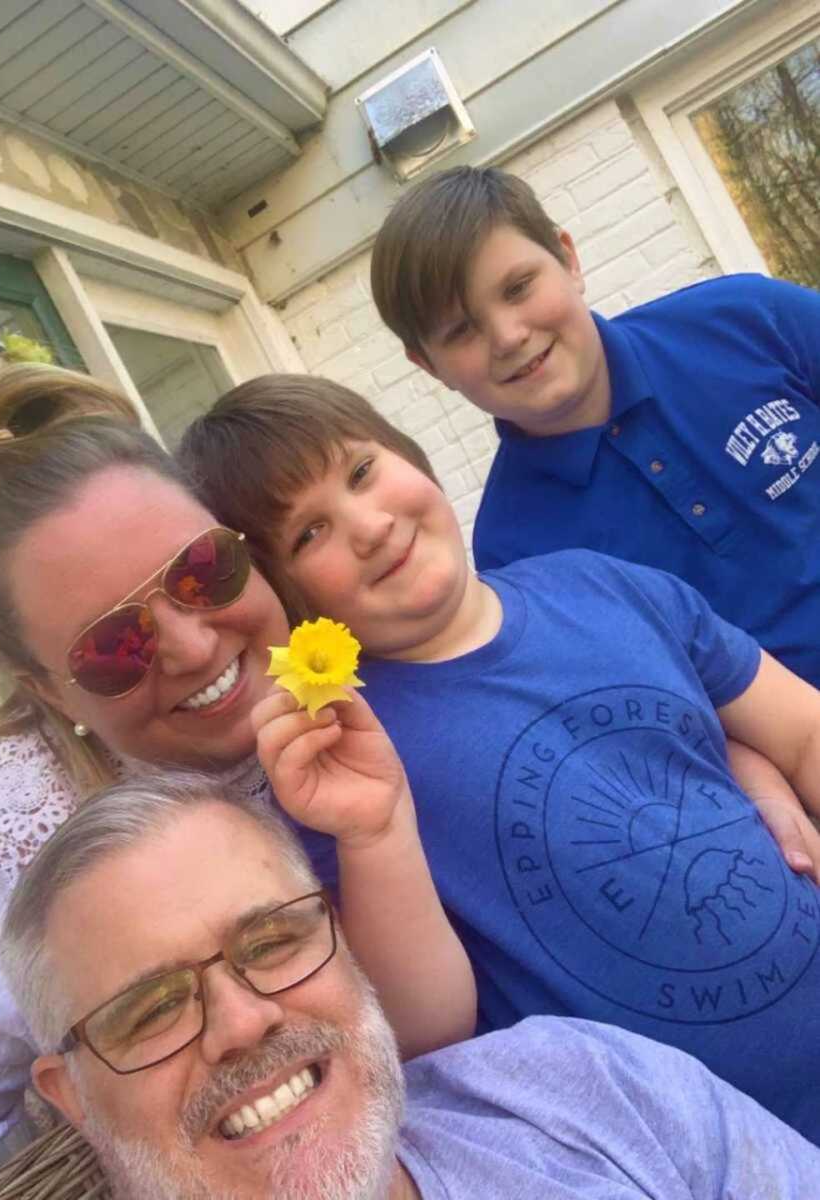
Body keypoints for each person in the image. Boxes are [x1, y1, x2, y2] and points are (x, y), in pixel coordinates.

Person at [178, 374, 820, 1143]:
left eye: (360, 472)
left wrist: (765, 773)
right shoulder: (342, 755)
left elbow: (804, 735)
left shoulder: (603, 585)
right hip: (708, 1157)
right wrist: (372, 833)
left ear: (408, 452)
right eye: (308, 533)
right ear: (288, 592)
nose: (370, 526)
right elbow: (427, 1034)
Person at [0, 355, 468, 1199]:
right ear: (43, 690)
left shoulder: (343, 647)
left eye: (202, 573)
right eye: (112, 647)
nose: (194, 645)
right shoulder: (2, 832)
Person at [0, 769, 820, 1200]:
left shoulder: (585, 1085)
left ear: (339, 937)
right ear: (71, 1097)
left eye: (271, 939)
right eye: (151, 1008)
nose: (243, 1023)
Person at [369, 165, 820, 692]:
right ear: (428, 365)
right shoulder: (514, 552)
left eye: (517, 288)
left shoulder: (749, 319)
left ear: (568, 258)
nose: (509, 336)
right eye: (462, 329)